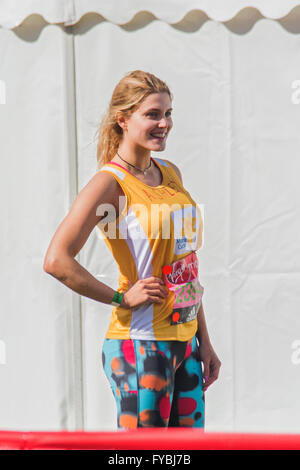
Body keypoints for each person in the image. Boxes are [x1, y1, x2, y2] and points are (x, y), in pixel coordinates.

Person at [43, 70, 221, 429]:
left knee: (182, 455)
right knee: (142, 456)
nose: (165, 123)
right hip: (141, 344)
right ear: (122, 120)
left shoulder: (170, 172)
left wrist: (205, 340)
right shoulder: (109, 183)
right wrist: (120, 298)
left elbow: (185, 265)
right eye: (152, 114)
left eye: (168, 113)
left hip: (184, 344)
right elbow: (56, 260)